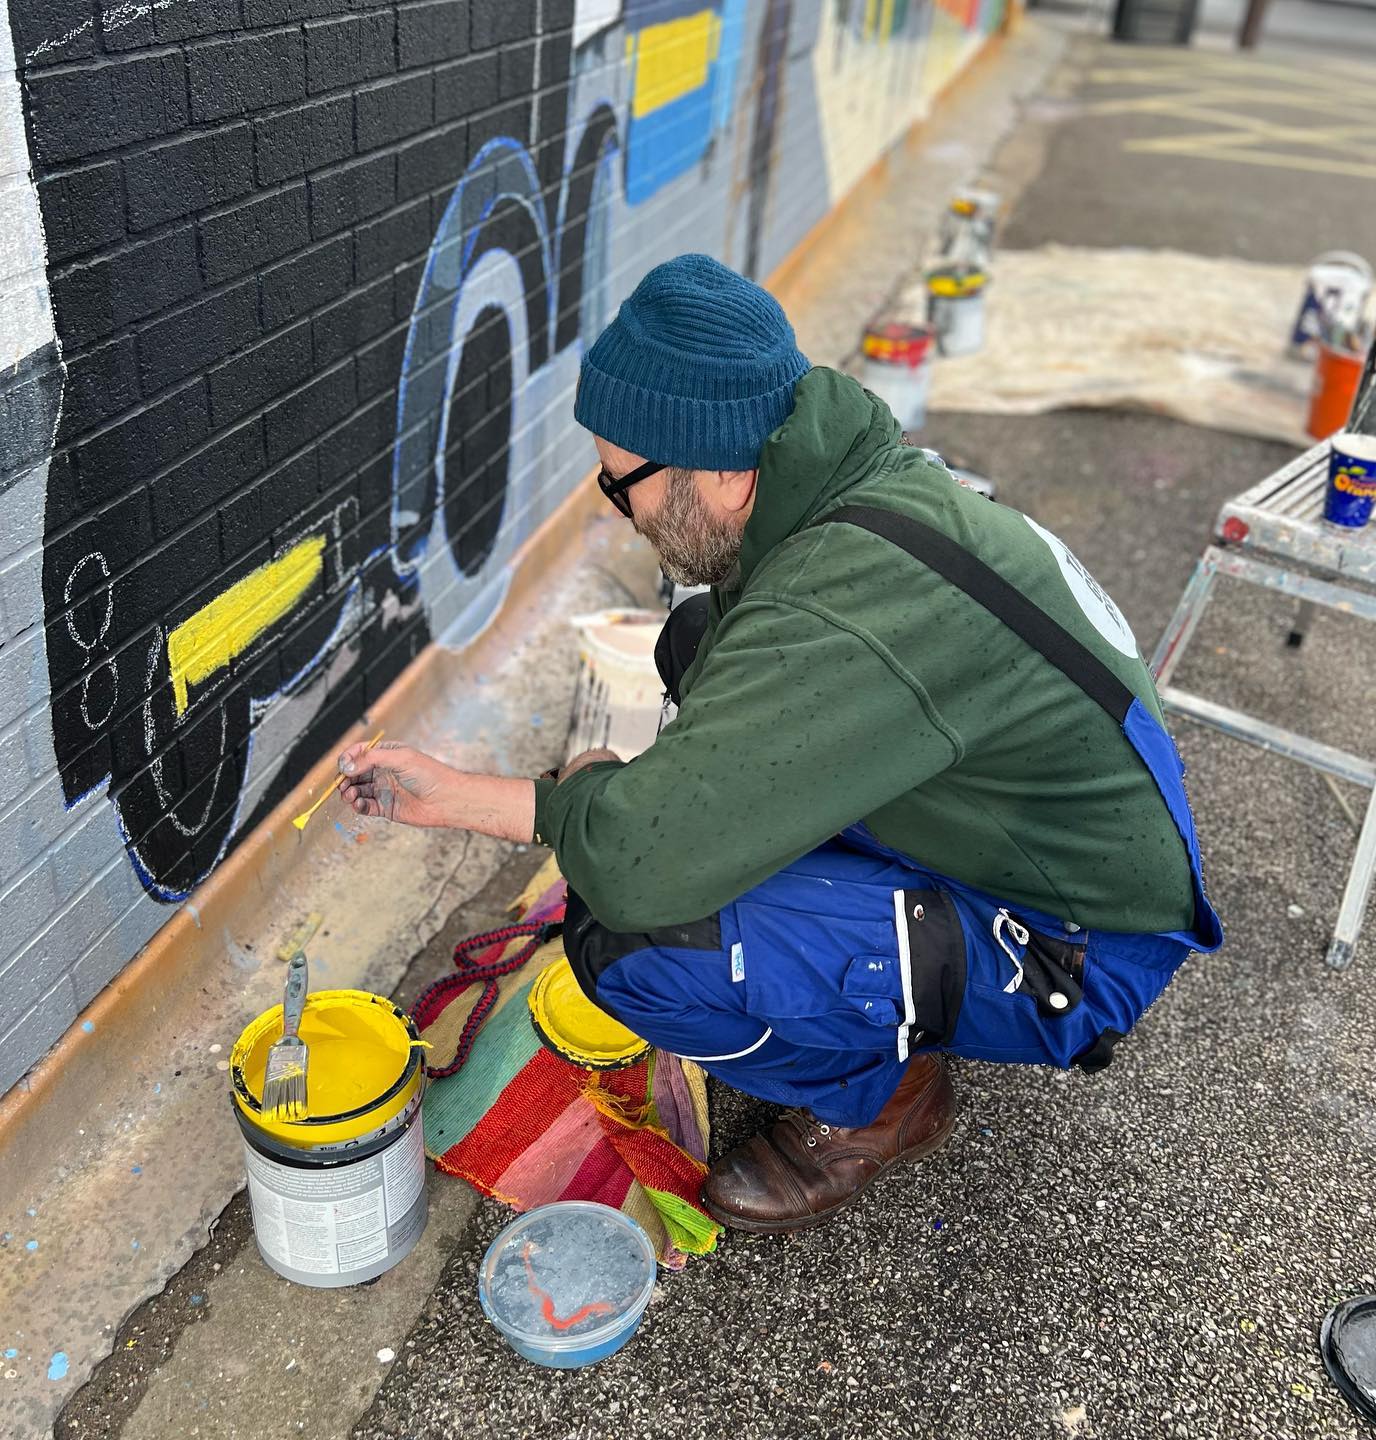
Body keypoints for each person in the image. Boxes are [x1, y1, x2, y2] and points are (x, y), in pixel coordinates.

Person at [337, 253, 1222, 1235]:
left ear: (719, 468)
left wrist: (548, 788)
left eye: (620, 480)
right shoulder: (862, 492)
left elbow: (638, 867)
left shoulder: (846, 603)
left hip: (1073, 946)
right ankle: (874, 972)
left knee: (630, 935)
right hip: (1032, 828)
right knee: (699, 641)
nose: (619, 509)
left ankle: (886, 1100)